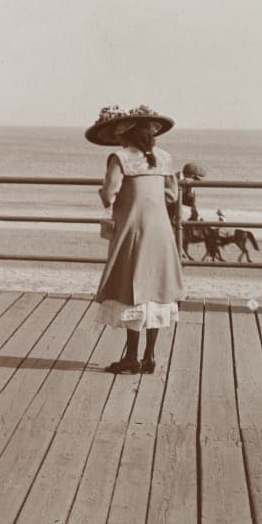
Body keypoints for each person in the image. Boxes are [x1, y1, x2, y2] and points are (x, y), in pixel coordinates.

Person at [86, 104, 185, 375]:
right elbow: (172, 196)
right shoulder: (164, 157)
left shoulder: (120, 158)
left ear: (125, 136)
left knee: (133, 289)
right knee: (156, 290)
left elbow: (109, 195)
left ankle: (131, 357)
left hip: (134, 229)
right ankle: (149, 358)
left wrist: (106, 193)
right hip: (160, 230)